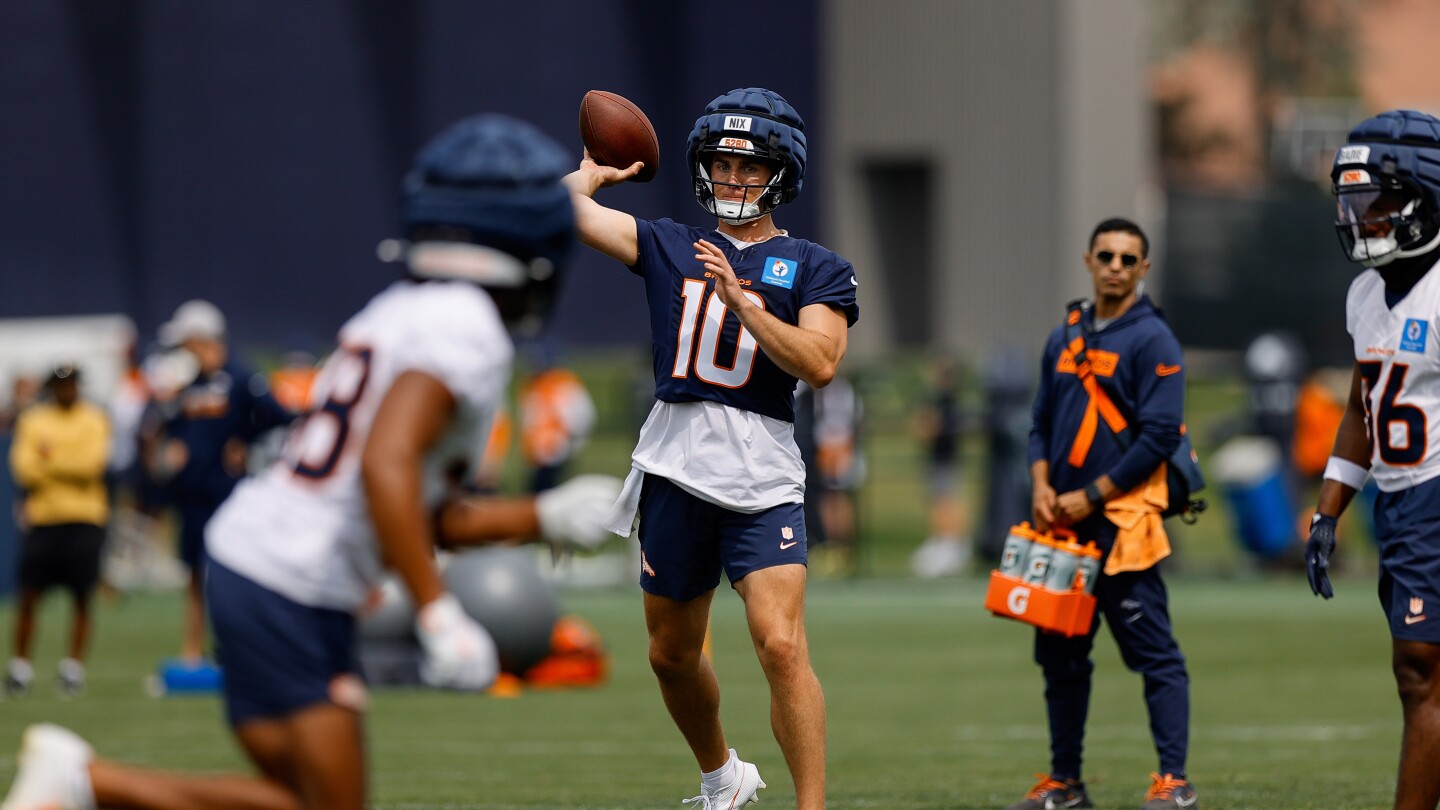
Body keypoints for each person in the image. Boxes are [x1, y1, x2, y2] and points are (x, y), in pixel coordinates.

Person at [1, 113, 619, 810]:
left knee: (302, 799)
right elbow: (387, 466)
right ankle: (82, 783)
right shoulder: (465, 329)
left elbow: (416, 508)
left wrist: (541, 514)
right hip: (291, 584)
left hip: (263, 565)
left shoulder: (403, 309)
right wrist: (437, 612)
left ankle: (80, 784)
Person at [565, 86, 858, 810]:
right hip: (674, 464)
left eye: (748, 166)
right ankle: (723, 775)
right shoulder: (669, 242)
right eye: (721, 163)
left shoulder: (814, 265)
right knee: (670, 655)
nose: (732, 178)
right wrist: (593, 174)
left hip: (761, 474)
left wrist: (744, 303)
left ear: (779, 173)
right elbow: (562, 213)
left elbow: (820, 362)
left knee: (781, 645)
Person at [1014, 217, 1197, 810]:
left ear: (1144, 269)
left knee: (1155, 655)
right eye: (1107, 256)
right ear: (1088, 260)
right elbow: (1039, 422)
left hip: (1122, 526)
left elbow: (1160, 435)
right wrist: (1041, 484)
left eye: (1128, 258)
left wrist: (1091, 495)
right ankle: (1065, 784)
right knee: (1060, 658)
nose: (1116, 266)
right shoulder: (1063, 334)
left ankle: (1174, 781)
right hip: (1060, 526)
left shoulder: (1154, 340)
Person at [1305, 108, 1440, 810]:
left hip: (1436, 495)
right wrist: (1329, 510)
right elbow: (1366, 404)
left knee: (1421, 674)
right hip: (1400, 501)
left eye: (1378, 200)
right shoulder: (1365, 294)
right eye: (1353, 201)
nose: (1363, 217)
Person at [145, 299, 296, 666]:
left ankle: (236, 644)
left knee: (231, 570)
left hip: (228, 493)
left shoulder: (240, 376)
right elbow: (162, 425)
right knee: (195, 572)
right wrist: (171, 444)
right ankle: (193, 648)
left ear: (201, 339)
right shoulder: (184, 383)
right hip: (192, 492)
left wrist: (245, 438)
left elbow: (278, 414)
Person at [6, 364, 111, 698]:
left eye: (71, 384)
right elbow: (24, 469)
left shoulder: (94, 418)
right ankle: (20, 668)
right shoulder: (33, 420)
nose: (66, 390)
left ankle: (72, 669)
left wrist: (49, 461)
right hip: (45, 518)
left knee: (82, 596)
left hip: (84, 517)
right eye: (60, 385)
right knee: (28, 596)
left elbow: (91, 466)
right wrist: (66, 464)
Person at [910, 358, 972, 578]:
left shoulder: (945, 401)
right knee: (940, 498)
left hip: (945, 458)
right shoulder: (942, 399)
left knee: (946, 500)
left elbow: (927, 428)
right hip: (939, 458)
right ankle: (945, 543)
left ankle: (950, 545)